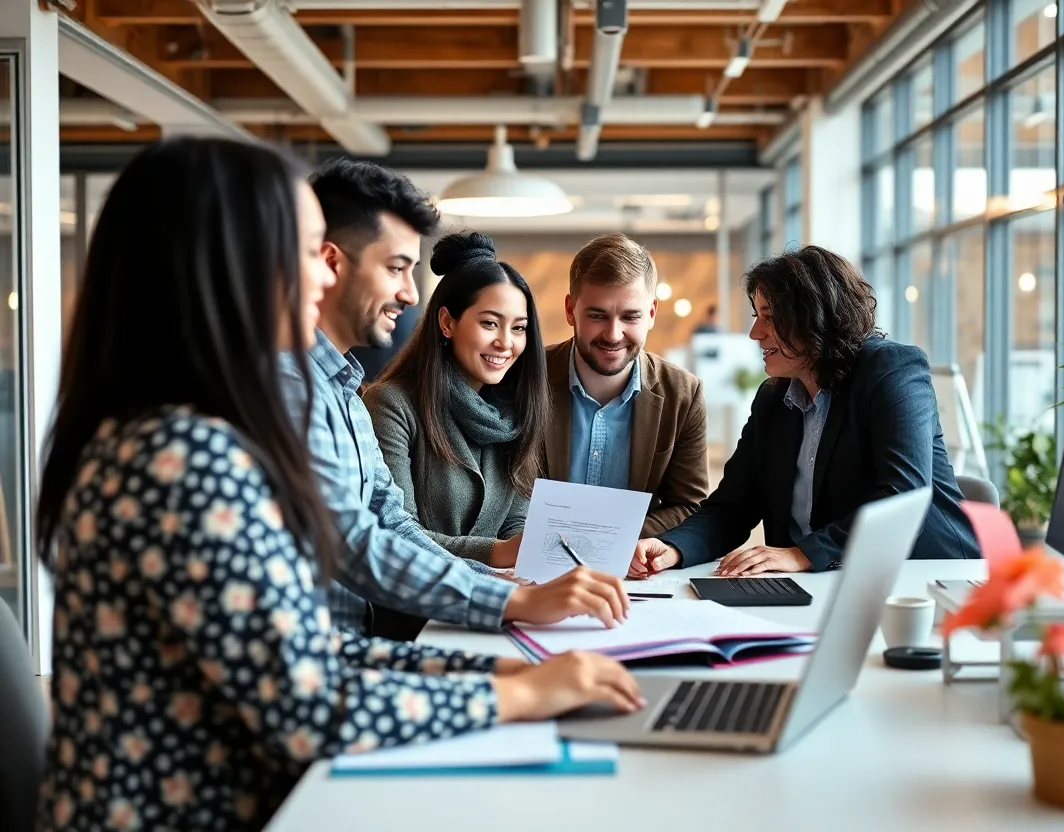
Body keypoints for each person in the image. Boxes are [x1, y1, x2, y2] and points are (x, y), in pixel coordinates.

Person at [34, 137, 642, 832]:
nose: (323, 278)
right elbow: (307, 707)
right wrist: (522, 696)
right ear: (230, 266)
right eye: (305, 252)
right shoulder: (187, 456)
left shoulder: (168, 430)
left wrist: (499, 675)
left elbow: (312, 651)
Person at [282, 159, 630, 642]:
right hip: (342, 654)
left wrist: (504, 587)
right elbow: (358, 545)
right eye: (396, 268)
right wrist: (509, 594)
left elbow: (391, 524)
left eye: (518, 328)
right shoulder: (293, 392)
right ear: (328, 263)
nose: (408, 294)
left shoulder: (344, 393)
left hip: (359, 648)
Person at [631, 245, 980, 577]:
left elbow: (905, 493)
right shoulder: (772, 400)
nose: (755, 333)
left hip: (924, 579)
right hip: (821, 584)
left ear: (814, 317)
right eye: (757, 315)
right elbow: (731, 508)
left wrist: (803, 554)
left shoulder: (891, 370)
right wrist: (671, 548)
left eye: (769, 317)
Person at [363, 232, 545, 568]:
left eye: (519, 328)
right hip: (416, 610)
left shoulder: (515, 413)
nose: (505, 343)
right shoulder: (391, 404)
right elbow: (397, 532)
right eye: (490, 323)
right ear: (447, 322)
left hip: (498, 598)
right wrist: (497, 553)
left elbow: (516, 527)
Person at [544, 233, 709, 537]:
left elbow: (688, 505)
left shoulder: (683, 394)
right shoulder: (526, 378)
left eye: (630, 317)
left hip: (632, 567)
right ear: (570, 311)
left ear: (652, 314)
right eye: (597, 316)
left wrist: (614, 540)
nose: (613, 334)